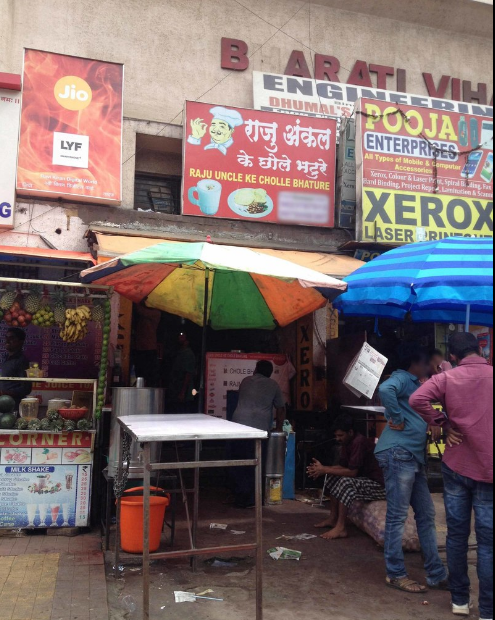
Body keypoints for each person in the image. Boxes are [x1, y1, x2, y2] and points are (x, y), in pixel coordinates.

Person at [410, 333, 493, 620]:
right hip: (489, 469)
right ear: (480, 349)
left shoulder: (447, 378)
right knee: (488, 543)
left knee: (457, 537)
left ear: (453, 357)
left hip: (456, 464)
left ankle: (459, 601)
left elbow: (417, 398)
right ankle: (488, 610)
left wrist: (442, 423)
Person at [375, 343, 448, 594]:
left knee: (426, 515)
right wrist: (395, 418)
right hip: (398, 453)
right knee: (397, 516)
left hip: (411, 457)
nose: (430, 367)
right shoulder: (403, 378)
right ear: (416, 362)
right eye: (428, 363)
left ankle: (436, 574)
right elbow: (385, 389)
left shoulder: (418, 383)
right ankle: (395, 574)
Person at [307, 414, 386, 541]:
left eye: (340, 435)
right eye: (336, 436)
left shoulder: (359, 442)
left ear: (350, 432)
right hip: (364, 480)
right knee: (332, 477)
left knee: (345, 482)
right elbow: (342, 466)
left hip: (379, 485)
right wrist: (322, 469)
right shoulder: (347, 442)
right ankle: (333, 518)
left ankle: (341, 526)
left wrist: (324, 469)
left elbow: (352, 472)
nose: (338, 439)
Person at [231, 361, 286, 509]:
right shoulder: (273, 385)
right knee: (256, 464)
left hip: (238, 427)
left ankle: (239, 497)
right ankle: (252, 499)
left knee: (239, 463)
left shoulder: (245, 381)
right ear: (270, 372)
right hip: (259, 430)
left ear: (256, 370)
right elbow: (281, 408)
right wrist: (278, 428)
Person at [0, 328, 32, 407]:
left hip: (14, 406)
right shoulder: (5, 358)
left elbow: (26, 388)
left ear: (20, 342)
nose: (7, 341)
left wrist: (4, 393)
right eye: (6, 337)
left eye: (11, 338)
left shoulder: (22, 361)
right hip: (3, 405)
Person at [132, 302, 161, 387]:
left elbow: (140, 310)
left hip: (149, 350)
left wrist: (135, 300)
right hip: (139, 349)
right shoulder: (143, 316)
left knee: (149, 376)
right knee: (139, 375)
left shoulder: (155, 313)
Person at [168, 333, 197, 413]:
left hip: (184, 395)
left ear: (187, 341)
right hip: (176, 392)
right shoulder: (179, 352)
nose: (179, 337)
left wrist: (182, 392)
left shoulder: (188, 354)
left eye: (182, 335)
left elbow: (188, 374)